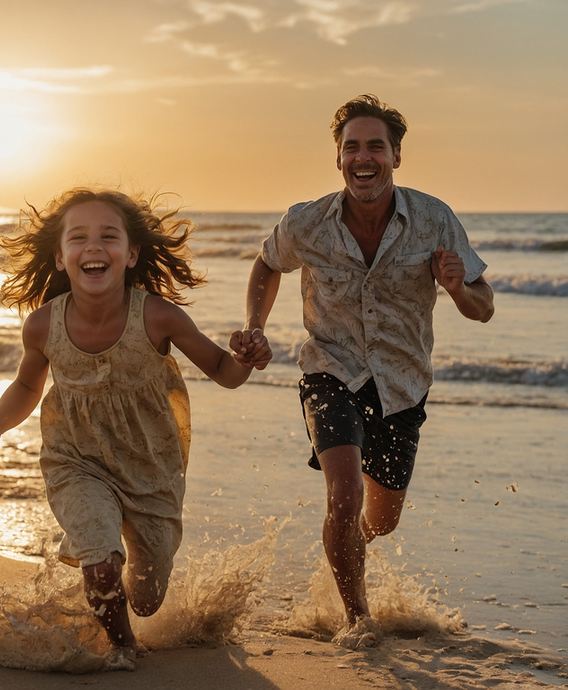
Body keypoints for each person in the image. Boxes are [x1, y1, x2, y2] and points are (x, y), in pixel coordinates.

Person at [0, 188, 271, 670]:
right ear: (61, 258)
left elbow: (225, 372)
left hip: (153, 469)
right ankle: (123, 646)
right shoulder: (43, 326)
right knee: (101, 559)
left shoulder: (158, 316)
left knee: (147, 597)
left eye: (108, 236)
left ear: (130, 255)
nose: (93, 246)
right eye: (78, 237)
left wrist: (247, 357)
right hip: (75, 462)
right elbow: (26, 385)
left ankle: (133, 609)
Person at [230, 94, 494, 646]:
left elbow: (483, 305)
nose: (363, 156)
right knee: (343, 498)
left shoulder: (433, 219)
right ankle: (357, 620)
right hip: (330, 370)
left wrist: (455, 286)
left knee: (381, 520)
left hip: (403, 385)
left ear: (396, 155)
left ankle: (341, 548)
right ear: (338, 158)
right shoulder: (307, 221)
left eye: (376, 145)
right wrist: (255, 324)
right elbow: (267, 262)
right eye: (352, 147)